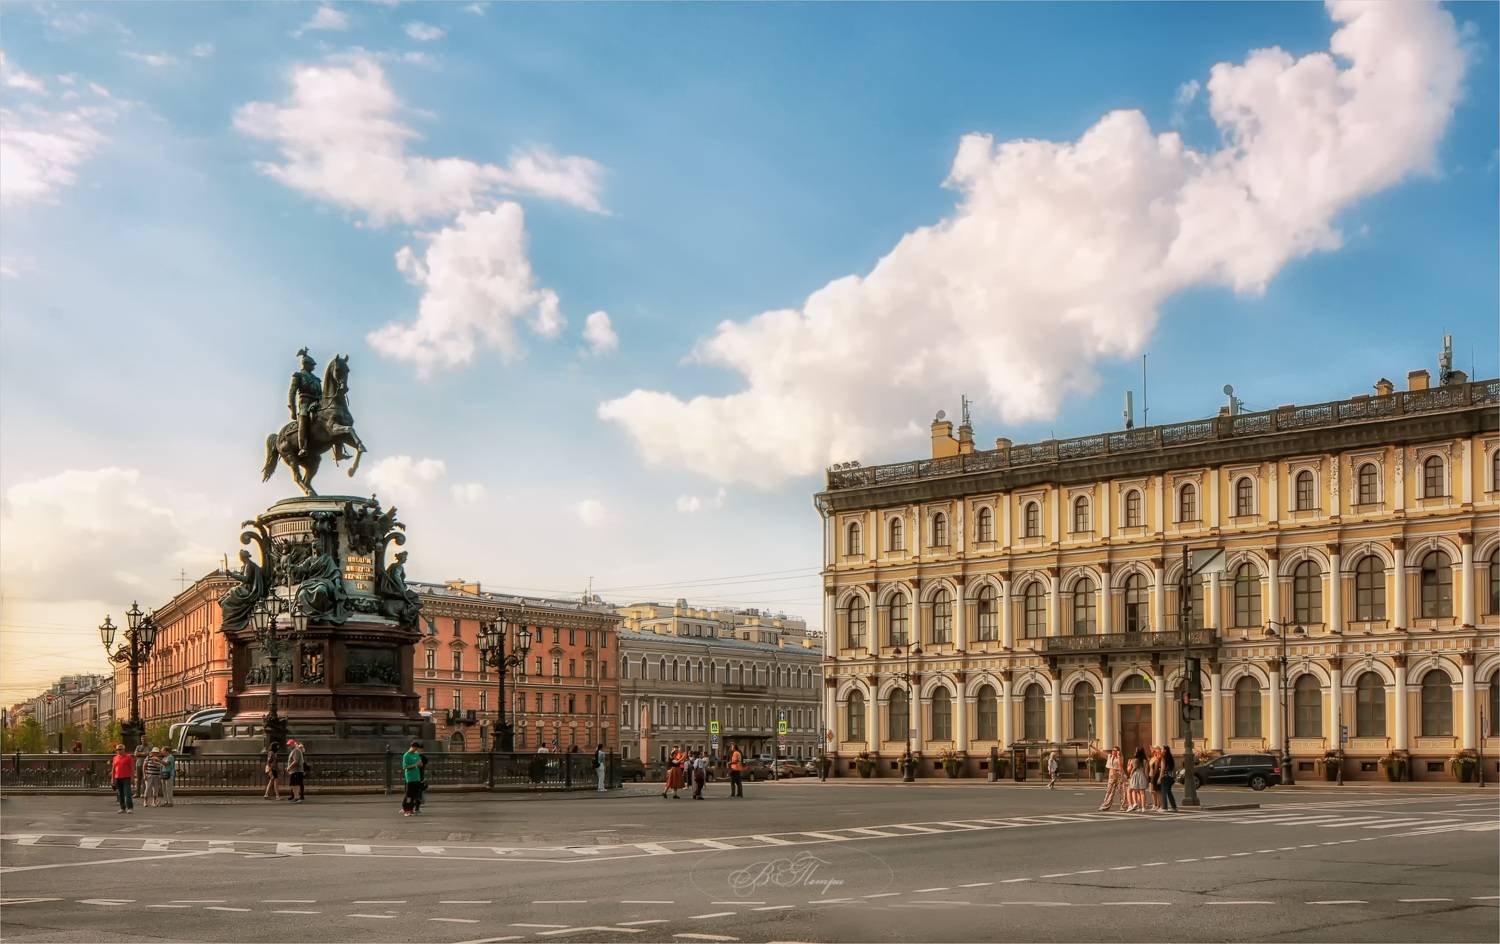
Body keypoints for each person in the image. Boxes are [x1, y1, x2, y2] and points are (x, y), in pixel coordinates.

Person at [110, 744, 134, 814]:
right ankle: (122, 808)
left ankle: (129, 807)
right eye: (117, 749)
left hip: (126, 777)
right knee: (120, 794)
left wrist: (132, 777)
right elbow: (113, 769)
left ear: (124, 750)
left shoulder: (128, 757)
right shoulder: (115, 758)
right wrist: (112, 778)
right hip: (118, 777)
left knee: (127, 793)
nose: (118, 751)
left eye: (120, 749)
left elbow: (132, 768)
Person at [400, 741, 423, 816]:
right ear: (412, 747)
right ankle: (406, 809)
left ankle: (411, 809)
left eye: (417, 748)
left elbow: (420, 764)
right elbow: (404, 767)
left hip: (417, 777)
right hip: (410, 777)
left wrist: (420, 764)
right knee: (409, 794)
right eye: (416, 748)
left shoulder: (416, 754)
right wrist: (415, 765)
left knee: (414, 794)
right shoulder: (406, 755)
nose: (416, 749)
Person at [1099, 747, 1124, 811]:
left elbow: (1120, 766)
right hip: (1111, 776)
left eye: (1115, 750)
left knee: (1121, 791)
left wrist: (1118, 756)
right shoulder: (1110, 756)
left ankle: (1123, 806)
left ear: (1118, 751)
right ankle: (1105, 805)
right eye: (1113, 750)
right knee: (1109, 791)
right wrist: (1092, 746)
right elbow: (1100, 752)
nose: (1113, 751)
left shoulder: (1120, 758)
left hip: (1118, 775)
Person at [1125, 747, 1149, 812]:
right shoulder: (1145, 761)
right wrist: (1147, 780)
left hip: (1135, 775)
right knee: (1142, 792)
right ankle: (1143, 807)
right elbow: (1146, 772)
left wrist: (1129, 776)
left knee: (1130, 790)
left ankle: (1132, 805)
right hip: (1142, 775)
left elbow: (1132, 769)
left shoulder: (1133, 760)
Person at [1159, 746, 1179, 813]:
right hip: (1170, 777)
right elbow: (1174, 768)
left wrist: (1159, 778)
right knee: (1169, 792)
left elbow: (1162, 768)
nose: (1161, 750)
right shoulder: (1170, 758)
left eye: (1162, 749)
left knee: (1164, 792)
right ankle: (1174, 807)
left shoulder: (1163, 758)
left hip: (1165, 777)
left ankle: (1164, 807)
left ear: (1165, 750)